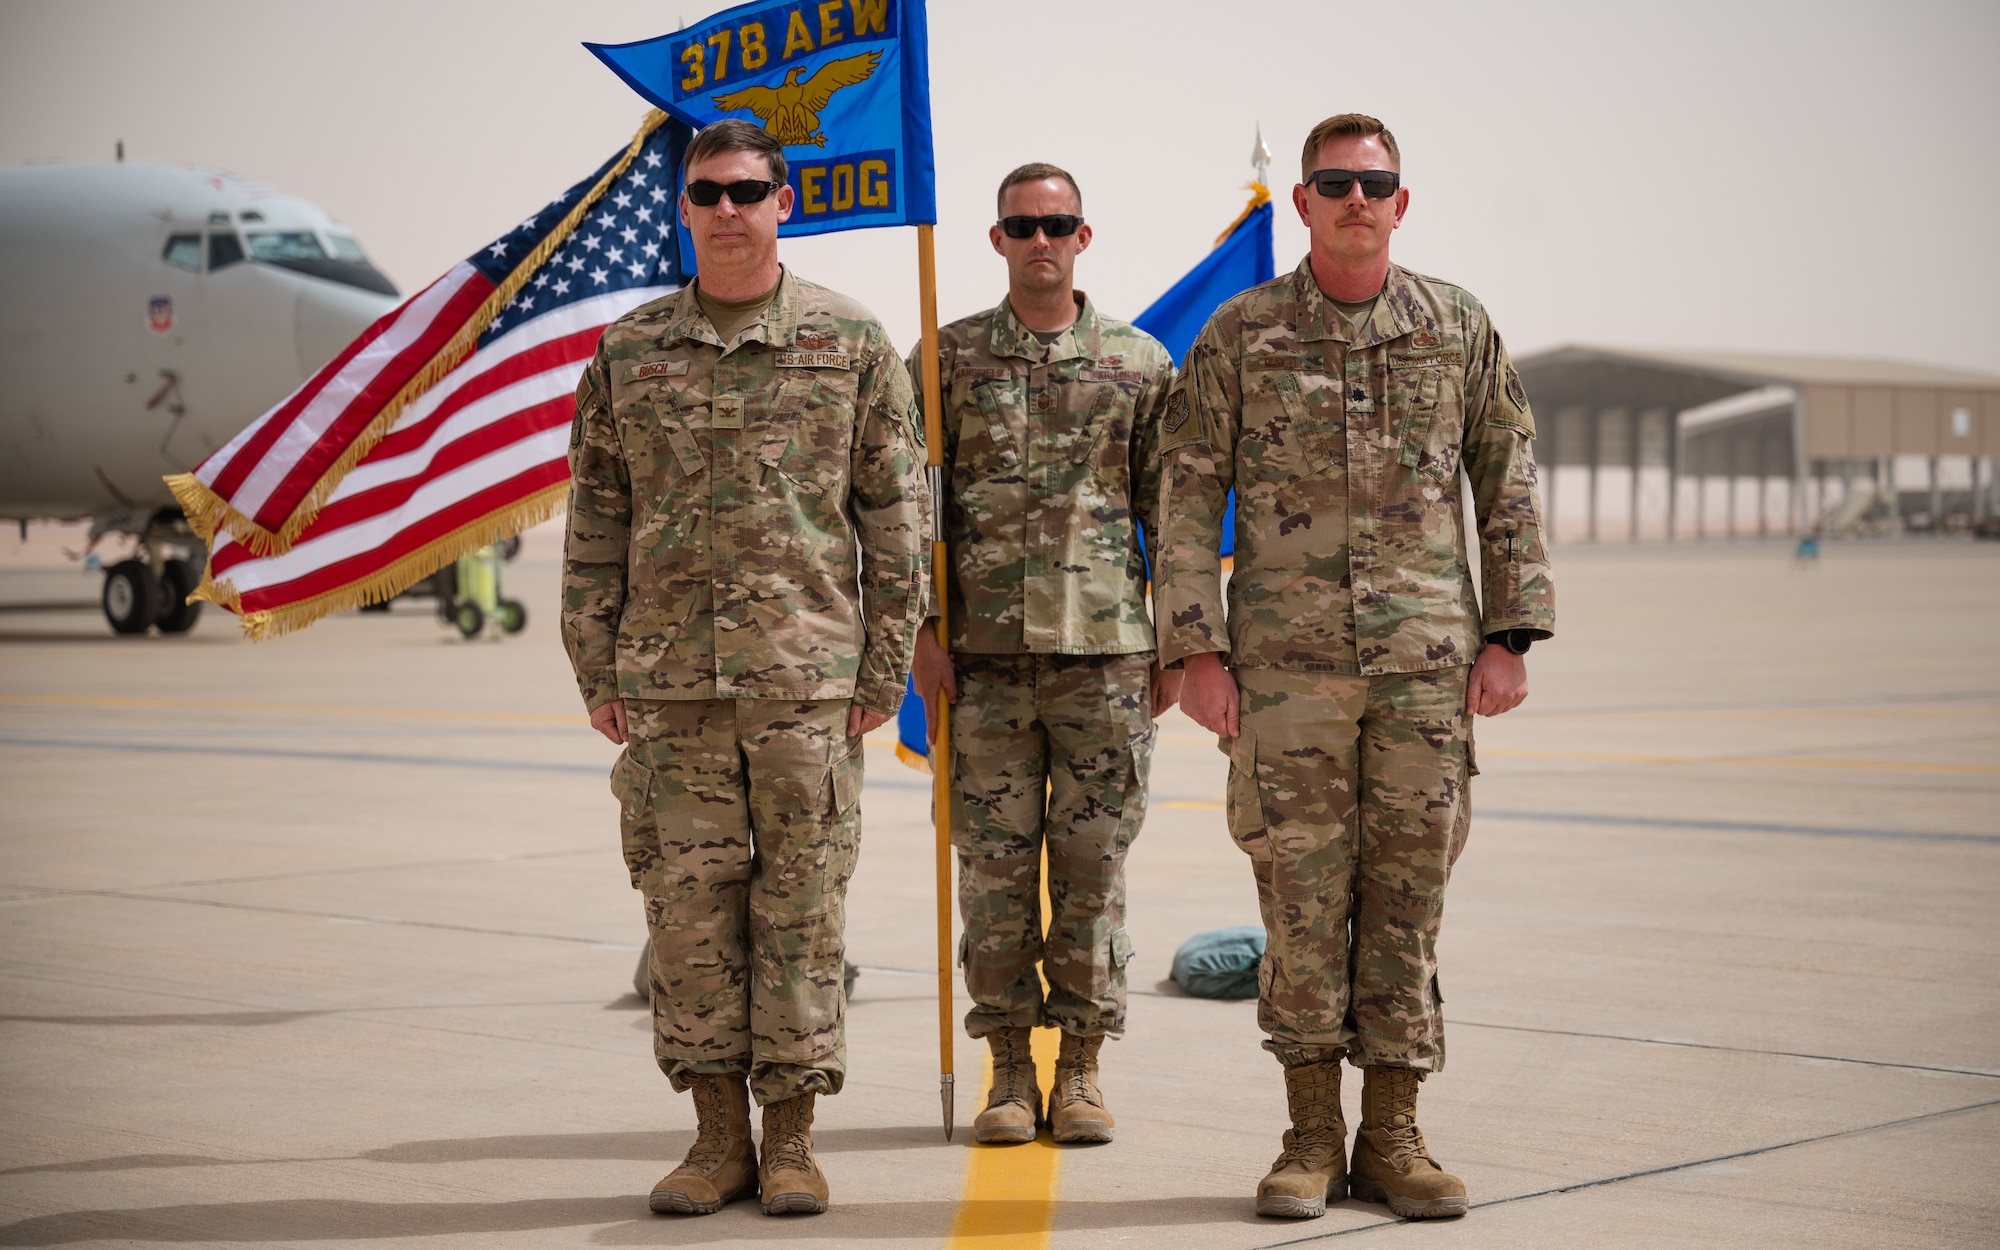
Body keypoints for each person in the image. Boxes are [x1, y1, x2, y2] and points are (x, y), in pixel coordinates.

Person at [1153, 113, 1555, 1221]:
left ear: (1399, 201)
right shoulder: (1240, 333)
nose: (1353, 199)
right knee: (1296, 899)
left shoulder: (1454, 324)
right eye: (1331, 182)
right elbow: (1184, 492)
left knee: (1406, 899)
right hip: (1282, 675)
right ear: (1302, 202)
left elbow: (1505, 473)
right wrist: (1194, 647)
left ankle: (1391, 1134)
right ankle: (1305, 1137)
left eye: (1372, 183)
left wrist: (1508, 631)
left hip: (1425, 668)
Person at [562, 118, 929, 1218]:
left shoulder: (849, 341)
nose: (727, 209)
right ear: (683, 207)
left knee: (803, 913)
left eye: (747, 191)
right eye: (707, 192)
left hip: (803, 685)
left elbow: (895, 523)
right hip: (669, 687)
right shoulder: (629, 351)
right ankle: (714, 1134)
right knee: (686, 916)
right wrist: (597, 663)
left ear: (785, 203)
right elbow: (597, 519)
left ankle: (794, 1139)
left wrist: (882, 668)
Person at [909, 163, 1177, 1146]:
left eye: (1055, 223)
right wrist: (918, 631)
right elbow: (907, 510)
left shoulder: (1139, 363)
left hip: (1104, 660)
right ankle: (1009, 1067)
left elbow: (1172, 512)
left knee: (1091, 868)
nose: (1039, 239)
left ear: (1082, 235)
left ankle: (1082, 1068)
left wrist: (1182, 641)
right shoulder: (944, 358)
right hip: (981, 662)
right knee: (991, 870)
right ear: (994, 238)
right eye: (1021, 224)